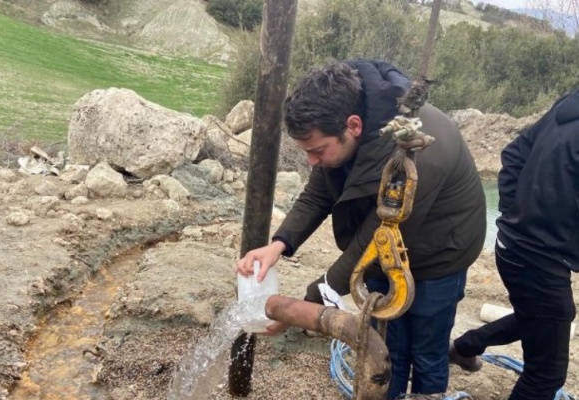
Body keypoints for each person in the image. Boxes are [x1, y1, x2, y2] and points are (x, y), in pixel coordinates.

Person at [236, 59, 486, 400]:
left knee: (427, 351)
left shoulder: (422, 149)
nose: (312, 160)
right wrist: (278, 244)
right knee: (385, 343)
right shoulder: (338, 122)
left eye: (317, 150)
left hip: (442, 251)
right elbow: (317, 194)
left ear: (353, 126)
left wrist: (305, 306)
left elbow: (373, 238)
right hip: (384, 251)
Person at [449, 87, 579, 400]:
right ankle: (463, 347)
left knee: (551, 314)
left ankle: (465, 347)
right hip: (540, 257)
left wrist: (514, 214)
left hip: (513, 245)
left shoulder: (570, 104)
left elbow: (513, 155)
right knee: (545, 375)